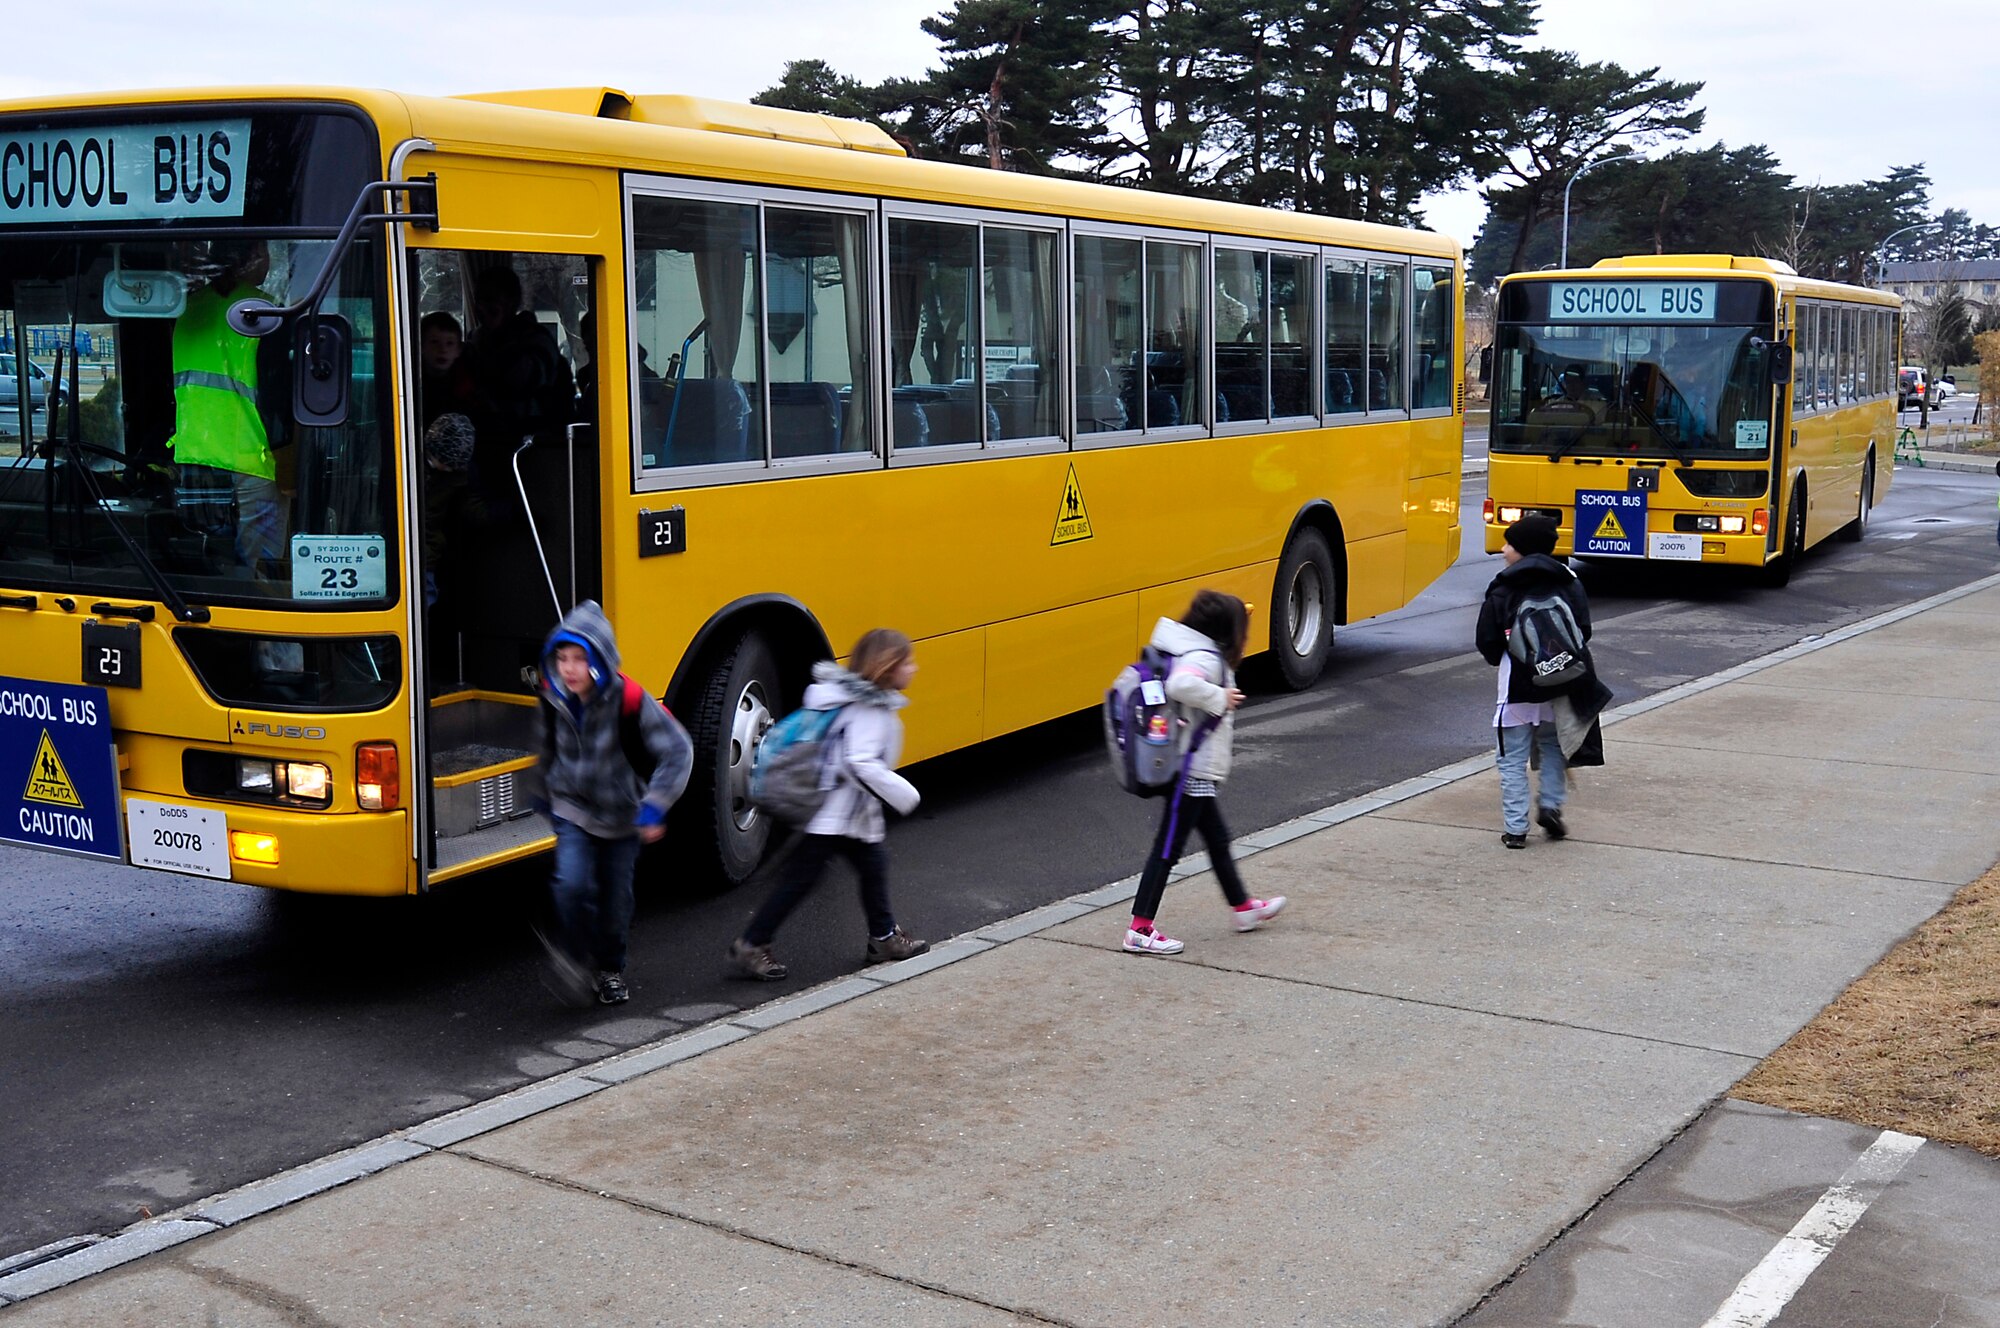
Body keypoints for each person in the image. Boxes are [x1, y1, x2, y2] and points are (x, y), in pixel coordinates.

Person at [728, 630, 930, 981]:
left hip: (847, 816)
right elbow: (859, 763)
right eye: (907, 662)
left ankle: (882, 937)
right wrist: (904, 794)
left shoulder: (867, 704)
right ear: (887, 667)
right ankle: (752, 943)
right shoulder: (869, 709)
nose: (914, 668)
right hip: (833, 816)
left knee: (869, 869)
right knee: (801, 880)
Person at [533, 601, 693, 1006]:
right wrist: (542, 792)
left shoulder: (630, 700)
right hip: (572, 807)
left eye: (579, 659)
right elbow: (544, 746)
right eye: (562, 657)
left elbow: (678, 750)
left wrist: (654, 805)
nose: (568, 668)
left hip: (623, 815)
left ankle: (609, 967)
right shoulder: (553, 696)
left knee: (615, 899)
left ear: (600, 661)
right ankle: (573, 956)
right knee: (571, 885)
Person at [1122, 590, 1287, 956]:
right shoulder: (1204, 657)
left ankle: (1243, 908)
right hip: (1189, 771)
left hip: (1192, 770)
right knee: (1168, 848)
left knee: (1217, 839)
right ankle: (1139, 928)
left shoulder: (1194, 649)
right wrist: (1218, 696)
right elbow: (1180, 684)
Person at [1474, 516, 1609, 849]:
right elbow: (1584, 632)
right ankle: (1550, 806)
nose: (1503, 550)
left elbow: (1487, 641)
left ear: (1521, 549)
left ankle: (1516, 829)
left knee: (1511, 759)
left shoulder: (1503, 586)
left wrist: (1509, 655)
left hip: (1516, 689)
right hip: (1561, 685)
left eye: (1508, 544)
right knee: (1553, 749)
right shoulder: (1569, 581)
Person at [169, 241, 286, 568]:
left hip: (195, 461)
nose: (268, 259)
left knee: (214, 562)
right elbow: (279, 396)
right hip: (250, 461)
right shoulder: (266, 312)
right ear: (249, 260)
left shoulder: (187, 309)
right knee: (259, 570)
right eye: (263, 251)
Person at [420, 412, 485, 612]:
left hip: (428, 552)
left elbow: (471, 510)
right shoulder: (406, 459)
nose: (453, 468)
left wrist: (501, 513)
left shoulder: (459, 473)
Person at [419, 311, 475, 430]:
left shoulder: (465, 387)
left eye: (450, 343)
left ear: (459, 350)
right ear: (421, 346)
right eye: (434, 342)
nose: (443, 349)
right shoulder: (410, 382)